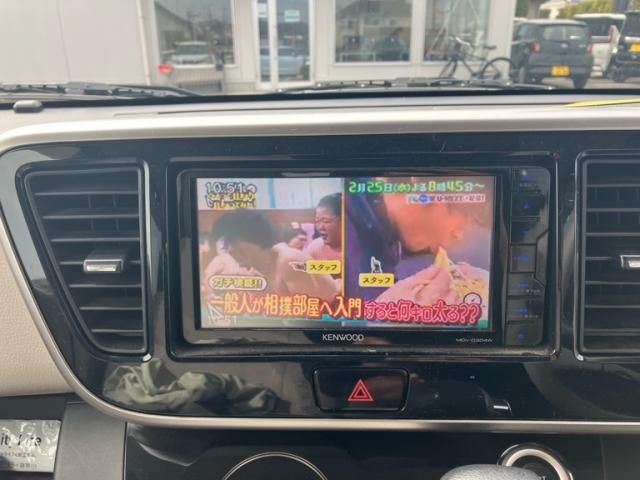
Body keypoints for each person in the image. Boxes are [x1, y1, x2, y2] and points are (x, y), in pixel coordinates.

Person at [203, 210, 339, 301]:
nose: (230, 250)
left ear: (255, 236)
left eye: (233, 241)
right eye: (226, 244)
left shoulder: (289, 261)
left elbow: (314, 318)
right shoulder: (254, 270)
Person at [305, 193, 342, 262]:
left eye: (326, 221)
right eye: (317, 221)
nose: (320, 227)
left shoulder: (362, 248)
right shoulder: (314, 249)